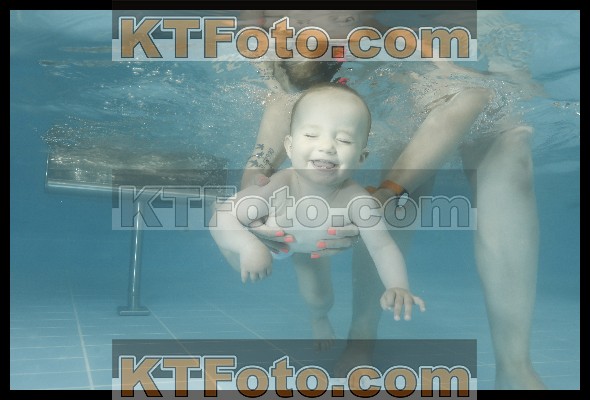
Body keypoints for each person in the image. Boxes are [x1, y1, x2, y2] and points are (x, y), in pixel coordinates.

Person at [234, 10, 545, 389]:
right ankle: (362, 337)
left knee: (510, 140)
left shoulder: (401, 45)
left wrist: (386, 193)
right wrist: (255, 212)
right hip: (371, 62)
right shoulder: (282, 63)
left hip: (415, 49)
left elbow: (470, 93)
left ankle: (515, 364)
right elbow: (281, 104)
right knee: (394, 152)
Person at [210, 83, 426, 348]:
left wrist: (398, 285)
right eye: (312, 135)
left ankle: (319, 318)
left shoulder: (358, 201)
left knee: (320, 299)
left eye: (344, 140)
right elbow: (222, 219)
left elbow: (382, 247)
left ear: (361, 157)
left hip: (310, 250)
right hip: (265, 234)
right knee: (235, 241)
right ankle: (231, 221)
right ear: (289, 147)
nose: (327, 147)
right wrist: (249, 246)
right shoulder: (281, 185)